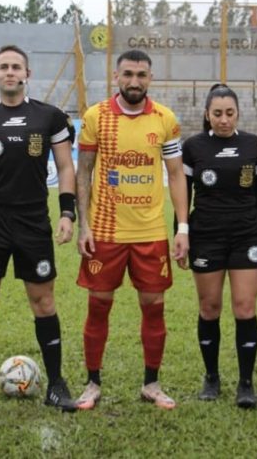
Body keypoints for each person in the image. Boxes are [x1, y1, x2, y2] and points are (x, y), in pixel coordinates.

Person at [0, 44, 77, 412]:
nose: (10, 72)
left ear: (27, 74)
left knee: (44, 302)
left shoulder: (50, 117)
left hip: (33, 221)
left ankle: (56, 384)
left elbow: (65, 167)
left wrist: (67, 213)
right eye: (4, 67)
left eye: (16, 67)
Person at [75, 49, 189, 411]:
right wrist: (83, 224)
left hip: (150, 232)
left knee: (154, 307)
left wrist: (182, 227)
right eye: (128, 74)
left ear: (150, 78)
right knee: (99, 306)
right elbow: (83, 172)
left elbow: (176, 174)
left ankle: (151, 383)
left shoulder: (165, 119)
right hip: (105, 232)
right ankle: (92, 383)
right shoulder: (96, 116)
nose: (134, 81)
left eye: (141, 75)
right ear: (116, 76)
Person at [182, 83, 257, 409]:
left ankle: (246, 384)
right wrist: (181, 233)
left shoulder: (252, 144)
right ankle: (211, 378)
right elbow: (183, 195)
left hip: (247, 235)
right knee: (209, 308)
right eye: (218, 113)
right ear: (207, 114)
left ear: (238, 114)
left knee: (245, 307)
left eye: (230, 113)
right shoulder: (193, 147)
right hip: (206, 236)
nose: (224, 119)